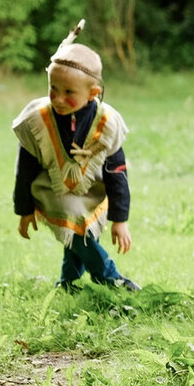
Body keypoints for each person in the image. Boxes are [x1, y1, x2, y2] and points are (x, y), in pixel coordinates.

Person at [13, 31, 140, 292]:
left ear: (93, 93)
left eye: (68, 92)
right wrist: (24, 210)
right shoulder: (37, 121)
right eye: (53, 89)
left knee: (79, 229)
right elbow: (24, 169)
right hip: (52, 189)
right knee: (76, 224)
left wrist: (120, 219)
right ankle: (109, 276)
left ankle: (67, 282)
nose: (58, 98)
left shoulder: (107, 124)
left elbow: (117, 172)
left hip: (91, 188)